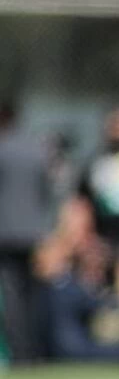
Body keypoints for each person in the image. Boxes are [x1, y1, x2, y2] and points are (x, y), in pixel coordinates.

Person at [0, 101, 55, 362]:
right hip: (34, 233)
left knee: (12, 297)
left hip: (6, 234)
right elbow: (48, 194)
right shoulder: (38, 151)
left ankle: (19, 353)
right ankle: (35, 350)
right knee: (33, 294)